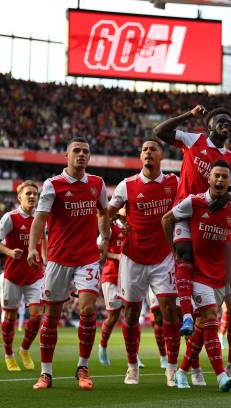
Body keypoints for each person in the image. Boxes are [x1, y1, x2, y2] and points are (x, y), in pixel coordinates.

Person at [153, 105, 231, 386]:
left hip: (214, 219)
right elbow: (159, 132)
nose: (226, 124)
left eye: (230, 121)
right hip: (188, 213)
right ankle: (188, 349)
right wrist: (188, 114)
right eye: (220, 120)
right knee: (185, 260)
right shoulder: (193, 140)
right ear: (209, 126)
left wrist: (224, 200)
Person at [161, 160, 231, 392]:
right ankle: (222, 375)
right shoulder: (194, 202)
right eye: (217, 176)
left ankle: (182, 371)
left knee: (203, 325)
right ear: (209, 179)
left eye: (224, 176)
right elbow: (166, 219)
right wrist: (174, 250)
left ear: (229, 181)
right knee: (211, 318)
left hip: (221, 274)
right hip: (199, 274)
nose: (220, 180)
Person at [27, 138, 111, 390]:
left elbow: (104, 212)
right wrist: (32, 247)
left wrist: (105, 238)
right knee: (51, 317)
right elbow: (40, 220)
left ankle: (82, 368)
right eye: (77, 151)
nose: (82, 155)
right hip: (58, 260)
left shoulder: (97, 183)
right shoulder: (53, 185)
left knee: (87, 310)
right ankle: (46, 373)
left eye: (86, 151)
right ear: (67, 156)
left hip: (87, 259)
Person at [107, 139, 181, 386]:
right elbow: (107, 212)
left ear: (162, 156)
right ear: (141, 157)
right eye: (145, 150)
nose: (148, 152)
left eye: (153, 149)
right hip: (133, 257)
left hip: (163, 256)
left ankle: (171, 368)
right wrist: (118, 220)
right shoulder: (127, 185)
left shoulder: (174, 182)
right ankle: (132, 366)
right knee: (131, 313)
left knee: (170, 310)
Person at [0, 180, 46, 372]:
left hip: (35, 276)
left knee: (37, 316)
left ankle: (24, 349)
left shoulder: (41, 218)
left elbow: (44, 240)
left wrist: (45, 261)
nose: (32, 196)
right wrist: (9, 252)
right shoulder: (10, 217)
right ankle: (8, 354)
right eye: (28, 193)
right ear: (19, 197)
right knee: (10, 317)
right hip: (12, 276)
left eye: (35, 194)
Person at [98, 208, 127, 366]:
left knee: (132, 315)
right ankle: (103, 345)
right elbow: (101, 253)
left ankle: (133, 354)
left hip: (129, 277)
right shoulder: (110, 229)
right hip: (111, 276)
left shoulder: (133, 229)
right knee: (113, 316)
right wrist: (116, 256)